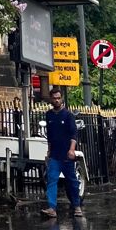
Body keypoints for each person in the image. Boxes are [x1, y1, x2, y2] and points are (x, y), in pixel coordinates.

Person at [41, 87, 82, 218]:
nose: (57, 100)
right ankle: (52, 208)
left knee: (72, 181)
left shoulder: (68, 115)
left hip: (66, 155)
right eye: (55, 98)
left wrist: (71, 149)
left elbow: (74, 134)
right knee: (51, 180)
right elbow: (50, 135)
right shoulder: (49, 115)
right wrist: (48, 151)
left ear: (61, 99)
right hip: (54, 155)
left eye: (59, 98)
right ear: (51, 99)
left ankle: (77, 206)